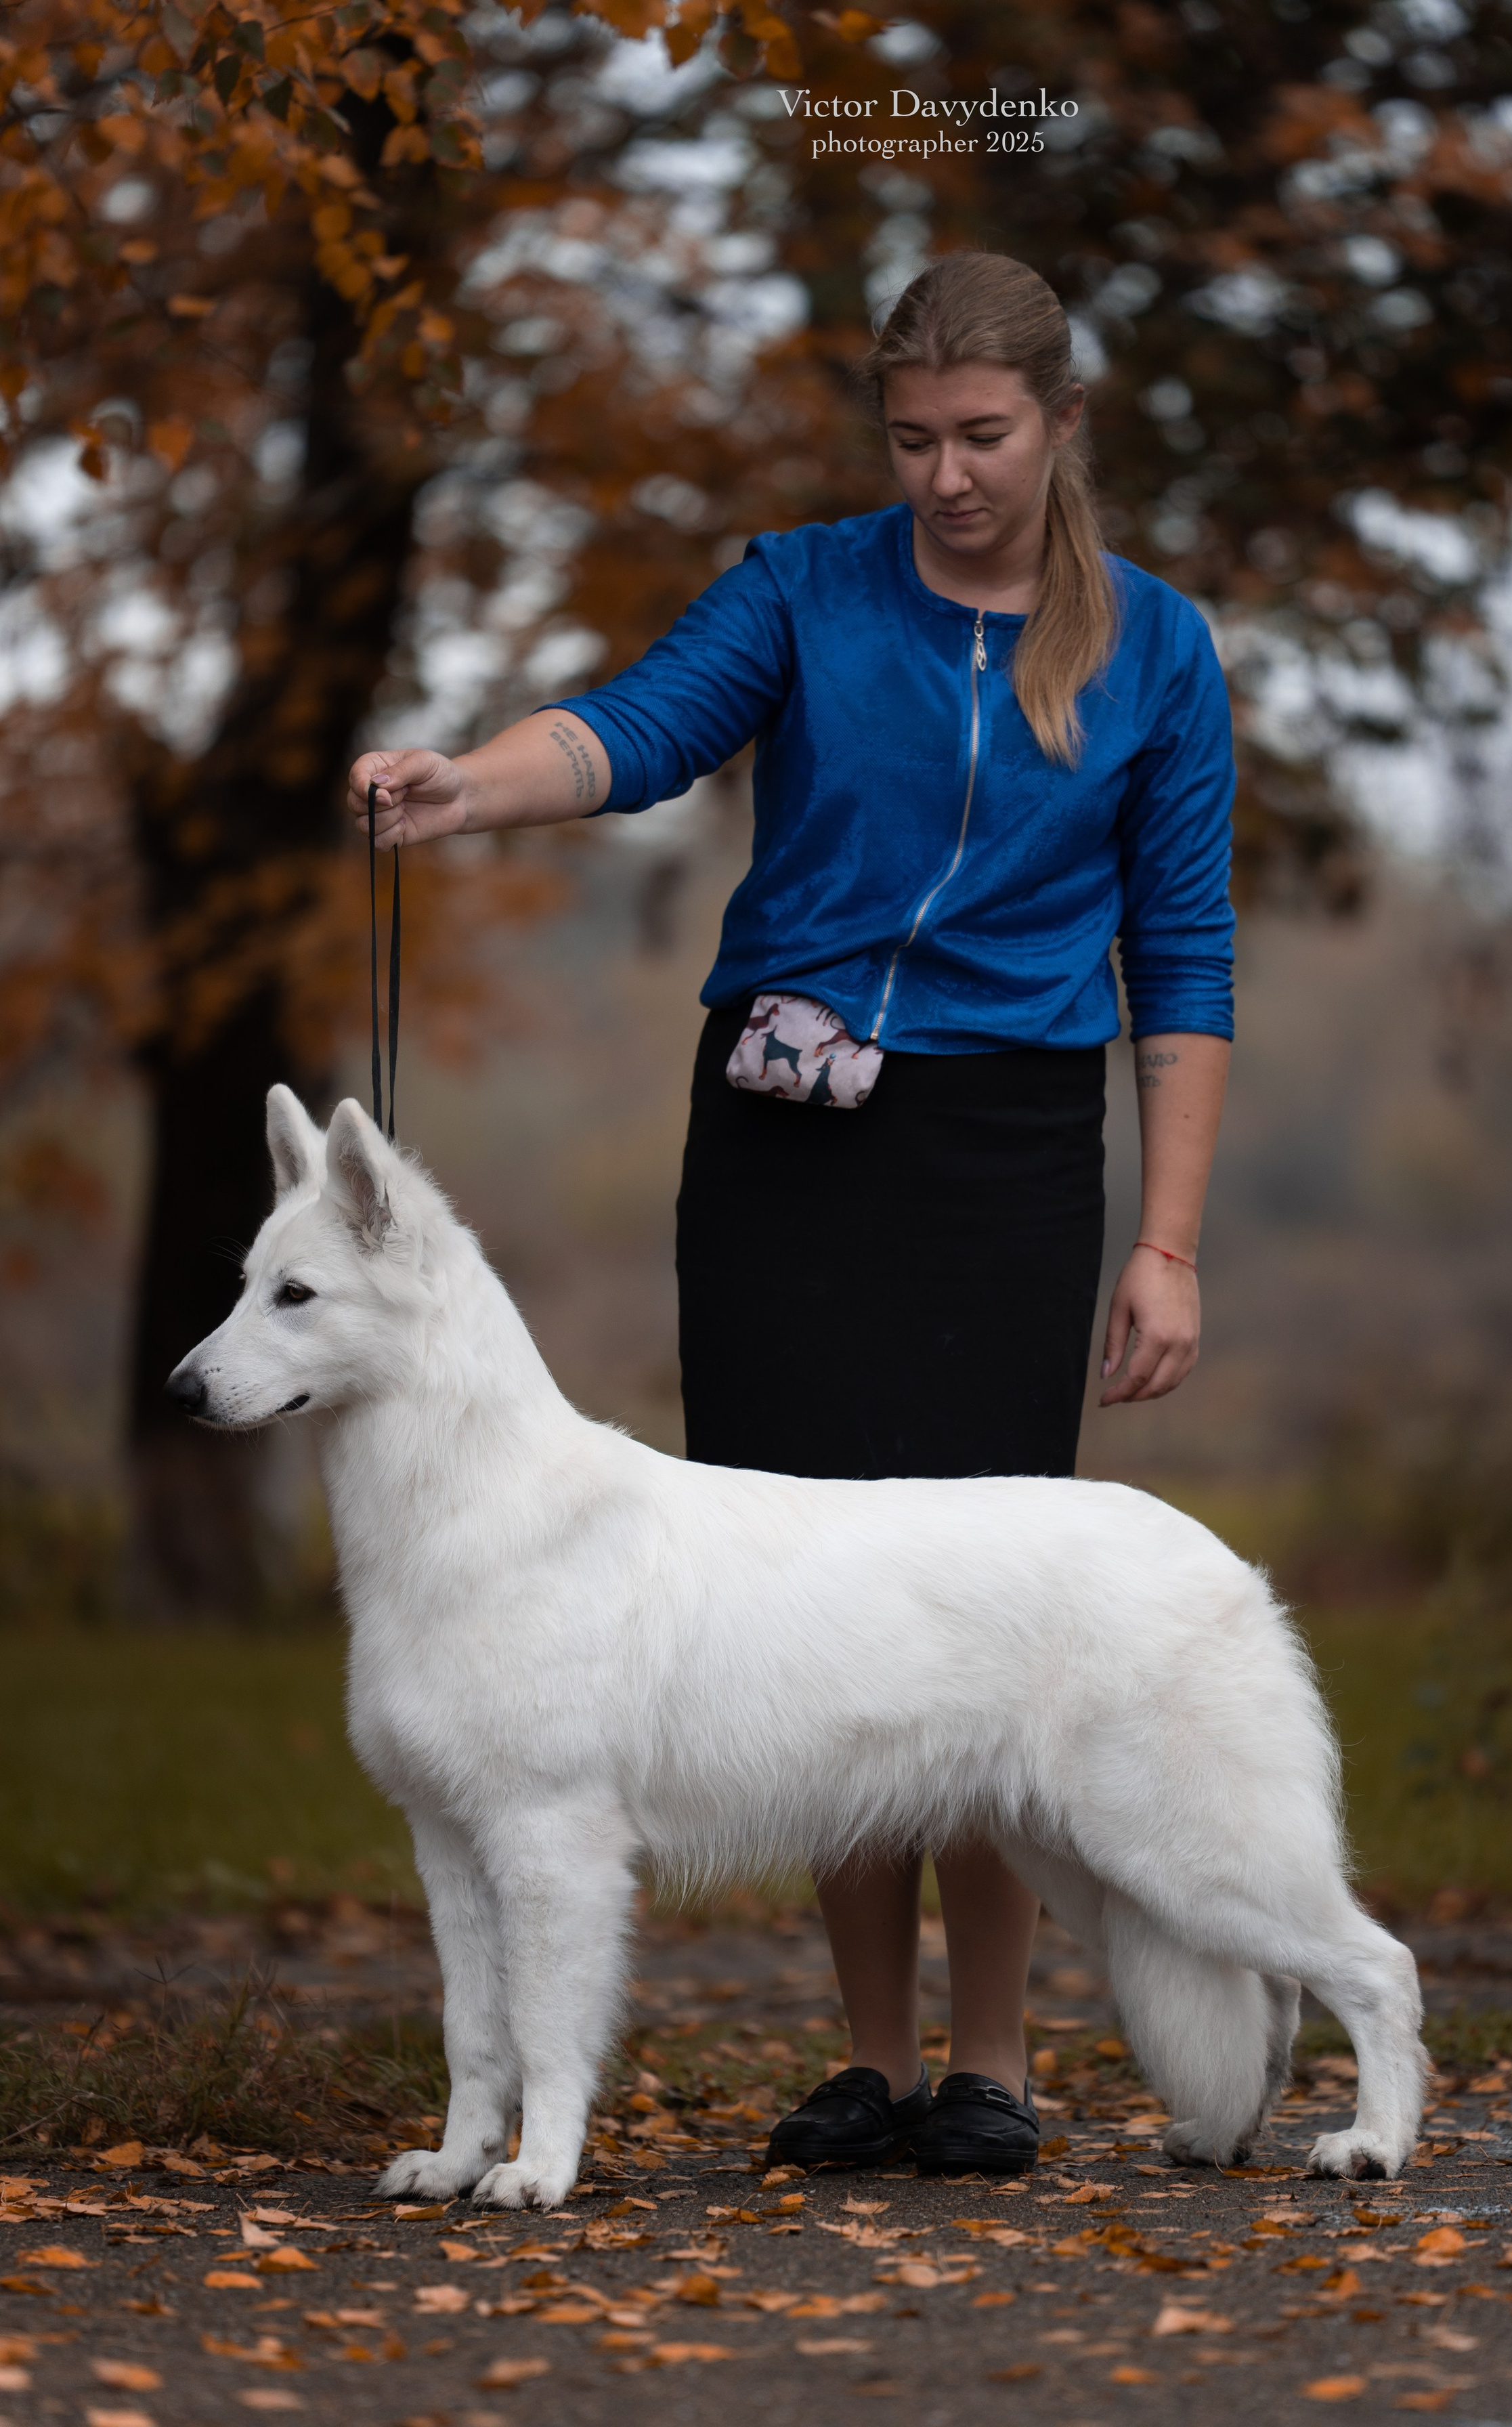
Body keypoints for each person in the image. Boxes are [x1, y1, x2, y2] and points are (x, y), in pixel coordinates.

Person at [348, 251, 1235, 2178]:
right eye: (912, 440)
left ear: (1066, 427)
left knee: (981, 1616)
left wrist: (1167, 1242)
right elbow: (637, 731)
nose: (946, 477)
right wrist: (462, 788)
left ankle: (992, 2066)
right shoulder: (803, 589)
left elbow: (1183, 962)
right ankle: (871, 2058)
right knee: (797, 1606)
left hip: (1005, 1151)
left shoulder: (1159, 650)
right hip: (783, 1135)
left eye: (984, 437)